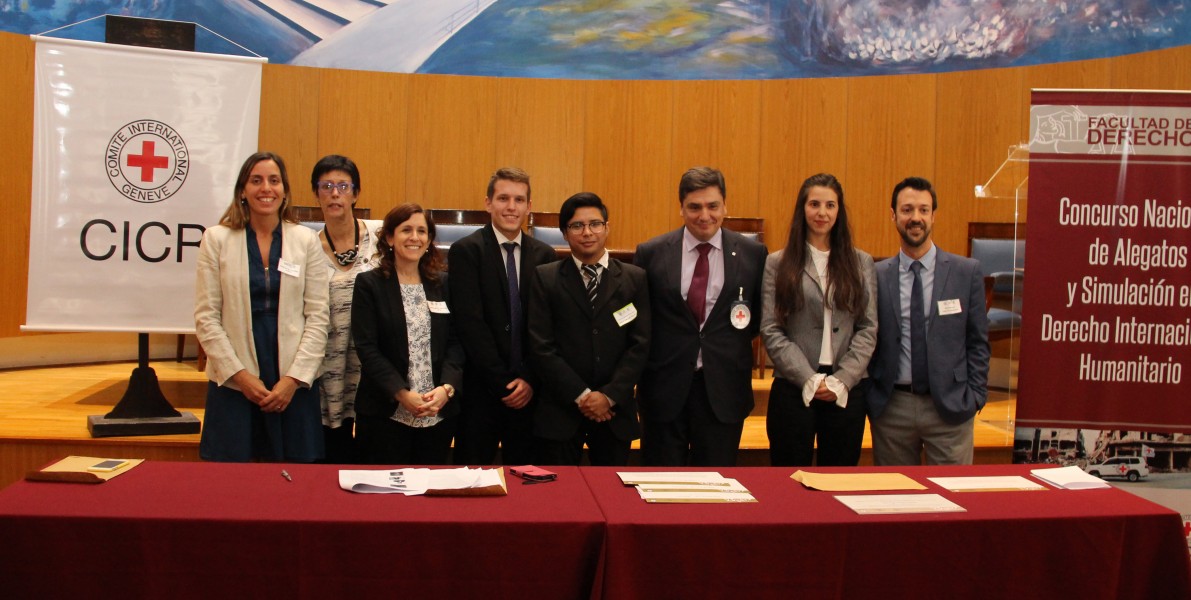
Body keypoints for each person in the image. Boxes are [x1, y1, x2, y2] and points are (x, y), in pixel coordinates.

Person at [194, 151, 329, 462]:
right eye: (256, 181)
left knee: (295, 484)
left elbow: (319, 317)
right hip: (234, 380)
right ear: (243, 190)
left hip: (293, 382)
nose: (265, 188)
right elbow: (206, 318)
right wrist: (241, 377)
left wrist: (292, 380)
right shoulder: (216, 239)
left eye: (274, 180)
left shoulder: (306, 241)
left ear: (284, 191)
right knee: (234, 485)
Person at [634, 167, 767, 466]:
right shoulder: (652, 253)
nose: (704, 215)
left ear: (725, 206)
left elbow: (755, 317)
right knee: (661, 486)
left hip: (723, 389)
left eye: (712, 206)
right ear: (681, 208)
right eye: (694, 207)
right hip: (664, 389)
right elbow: (644, 320)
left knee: (715, 491)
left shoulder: (753, 255)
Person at [868, 176, 990, 465]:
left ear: (934, 216)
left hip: (950, 408)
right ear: (893, 215)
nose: (915, 218)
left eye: (923, 210)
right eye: (907, 210)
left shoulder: (966, 272)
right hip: (892, 410)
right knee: (894, 503)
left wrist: (974, 397)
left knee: (951, 503)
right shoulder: (876, 274)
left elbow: (978, 342)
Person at [761, 173, 877, 467]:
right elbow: (771, 329)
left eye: (830, 205)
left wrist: (842, 380)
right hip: (793, 387)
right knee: (787, 483)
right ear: (803, 209)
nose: (822, 213)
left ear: (839, 211)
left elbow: (868, 327)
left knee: (837, 486)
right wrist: (808, 378)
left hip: (845, 390)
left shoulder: (860, 262)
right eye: (814, 204)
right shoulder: (778, 262)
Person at [528, 192, 650, 466]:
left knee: (611, 499)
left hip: (614, 411)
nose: (587, 232)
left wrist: (608, 396)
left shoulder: (634, 278)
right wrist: (583, 397)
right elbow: (541, 346)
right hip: (561, 411)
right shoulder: (545, 278)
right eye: (577, 226)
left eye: (595, 224)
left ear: (607, 227)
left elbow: (639, 345)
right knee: (560, 498)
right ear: (564, 233)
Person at [449, 167, 557, 466]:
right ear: (488, 203)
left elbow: (546, 327)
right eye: (504, 198)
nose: (511, 207)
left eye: (519, 200)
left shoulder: (545, 255)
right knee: (471, 479)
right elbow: (470, 324)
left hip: (530, 391)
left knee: (527, 482)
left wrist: (528, 378)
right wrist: (503, 382)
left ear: (529, 207)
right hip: (480, 390)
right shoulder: (466, 251)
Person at [351, 203, 464, 465]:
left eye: (422, 231)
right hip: (385, 412)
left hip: (437, 412)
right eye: (406, 230)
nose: (415, 237)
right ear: (390, 237)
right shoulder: (370, 284)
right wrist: (401, 394)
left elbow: (457, 342)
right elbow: (367, 348)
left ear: (429, 239)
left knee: (429, 497)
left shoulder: (443, 284)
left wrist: (446, 388)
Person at [310, 155, 382, 463]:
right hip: (329, 362)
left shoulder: (381, 238)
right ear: (317, 194)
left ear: (356, 193)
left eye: (343, 186)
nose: (335, 193)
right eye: (326, 186)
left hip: (374, 361)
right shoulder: (307, 247)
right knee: (334, 449)